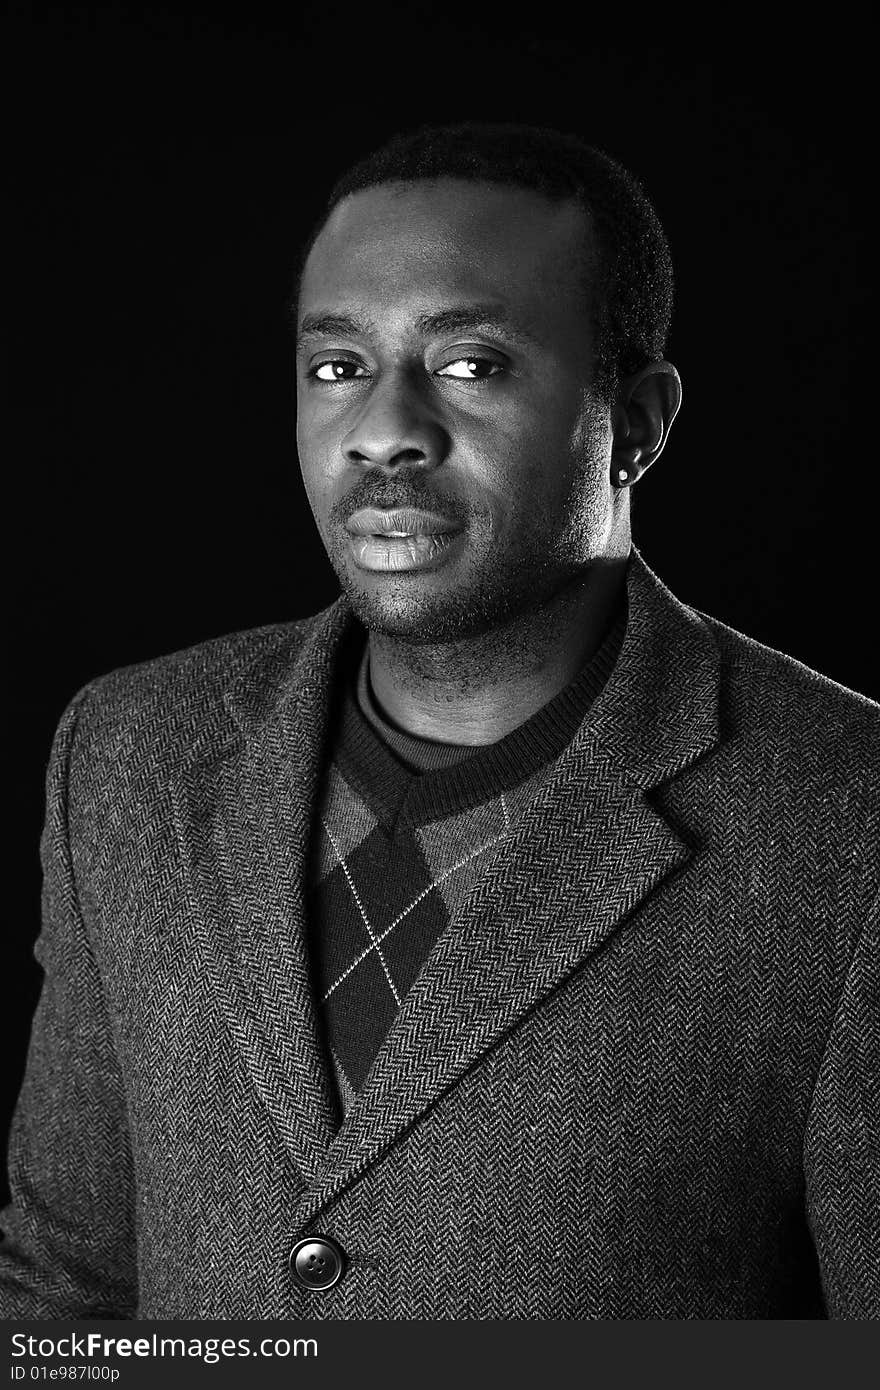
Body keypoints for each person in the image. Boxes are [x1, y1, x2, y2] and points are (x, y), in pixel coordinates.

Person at [1, 122, 877, 1321]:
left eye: (470, 363)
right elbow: (61, 1292)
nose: (383, 428)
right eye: (336, 366)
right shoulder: (125, 753)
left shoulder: (847, 819)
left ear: (638, 423)